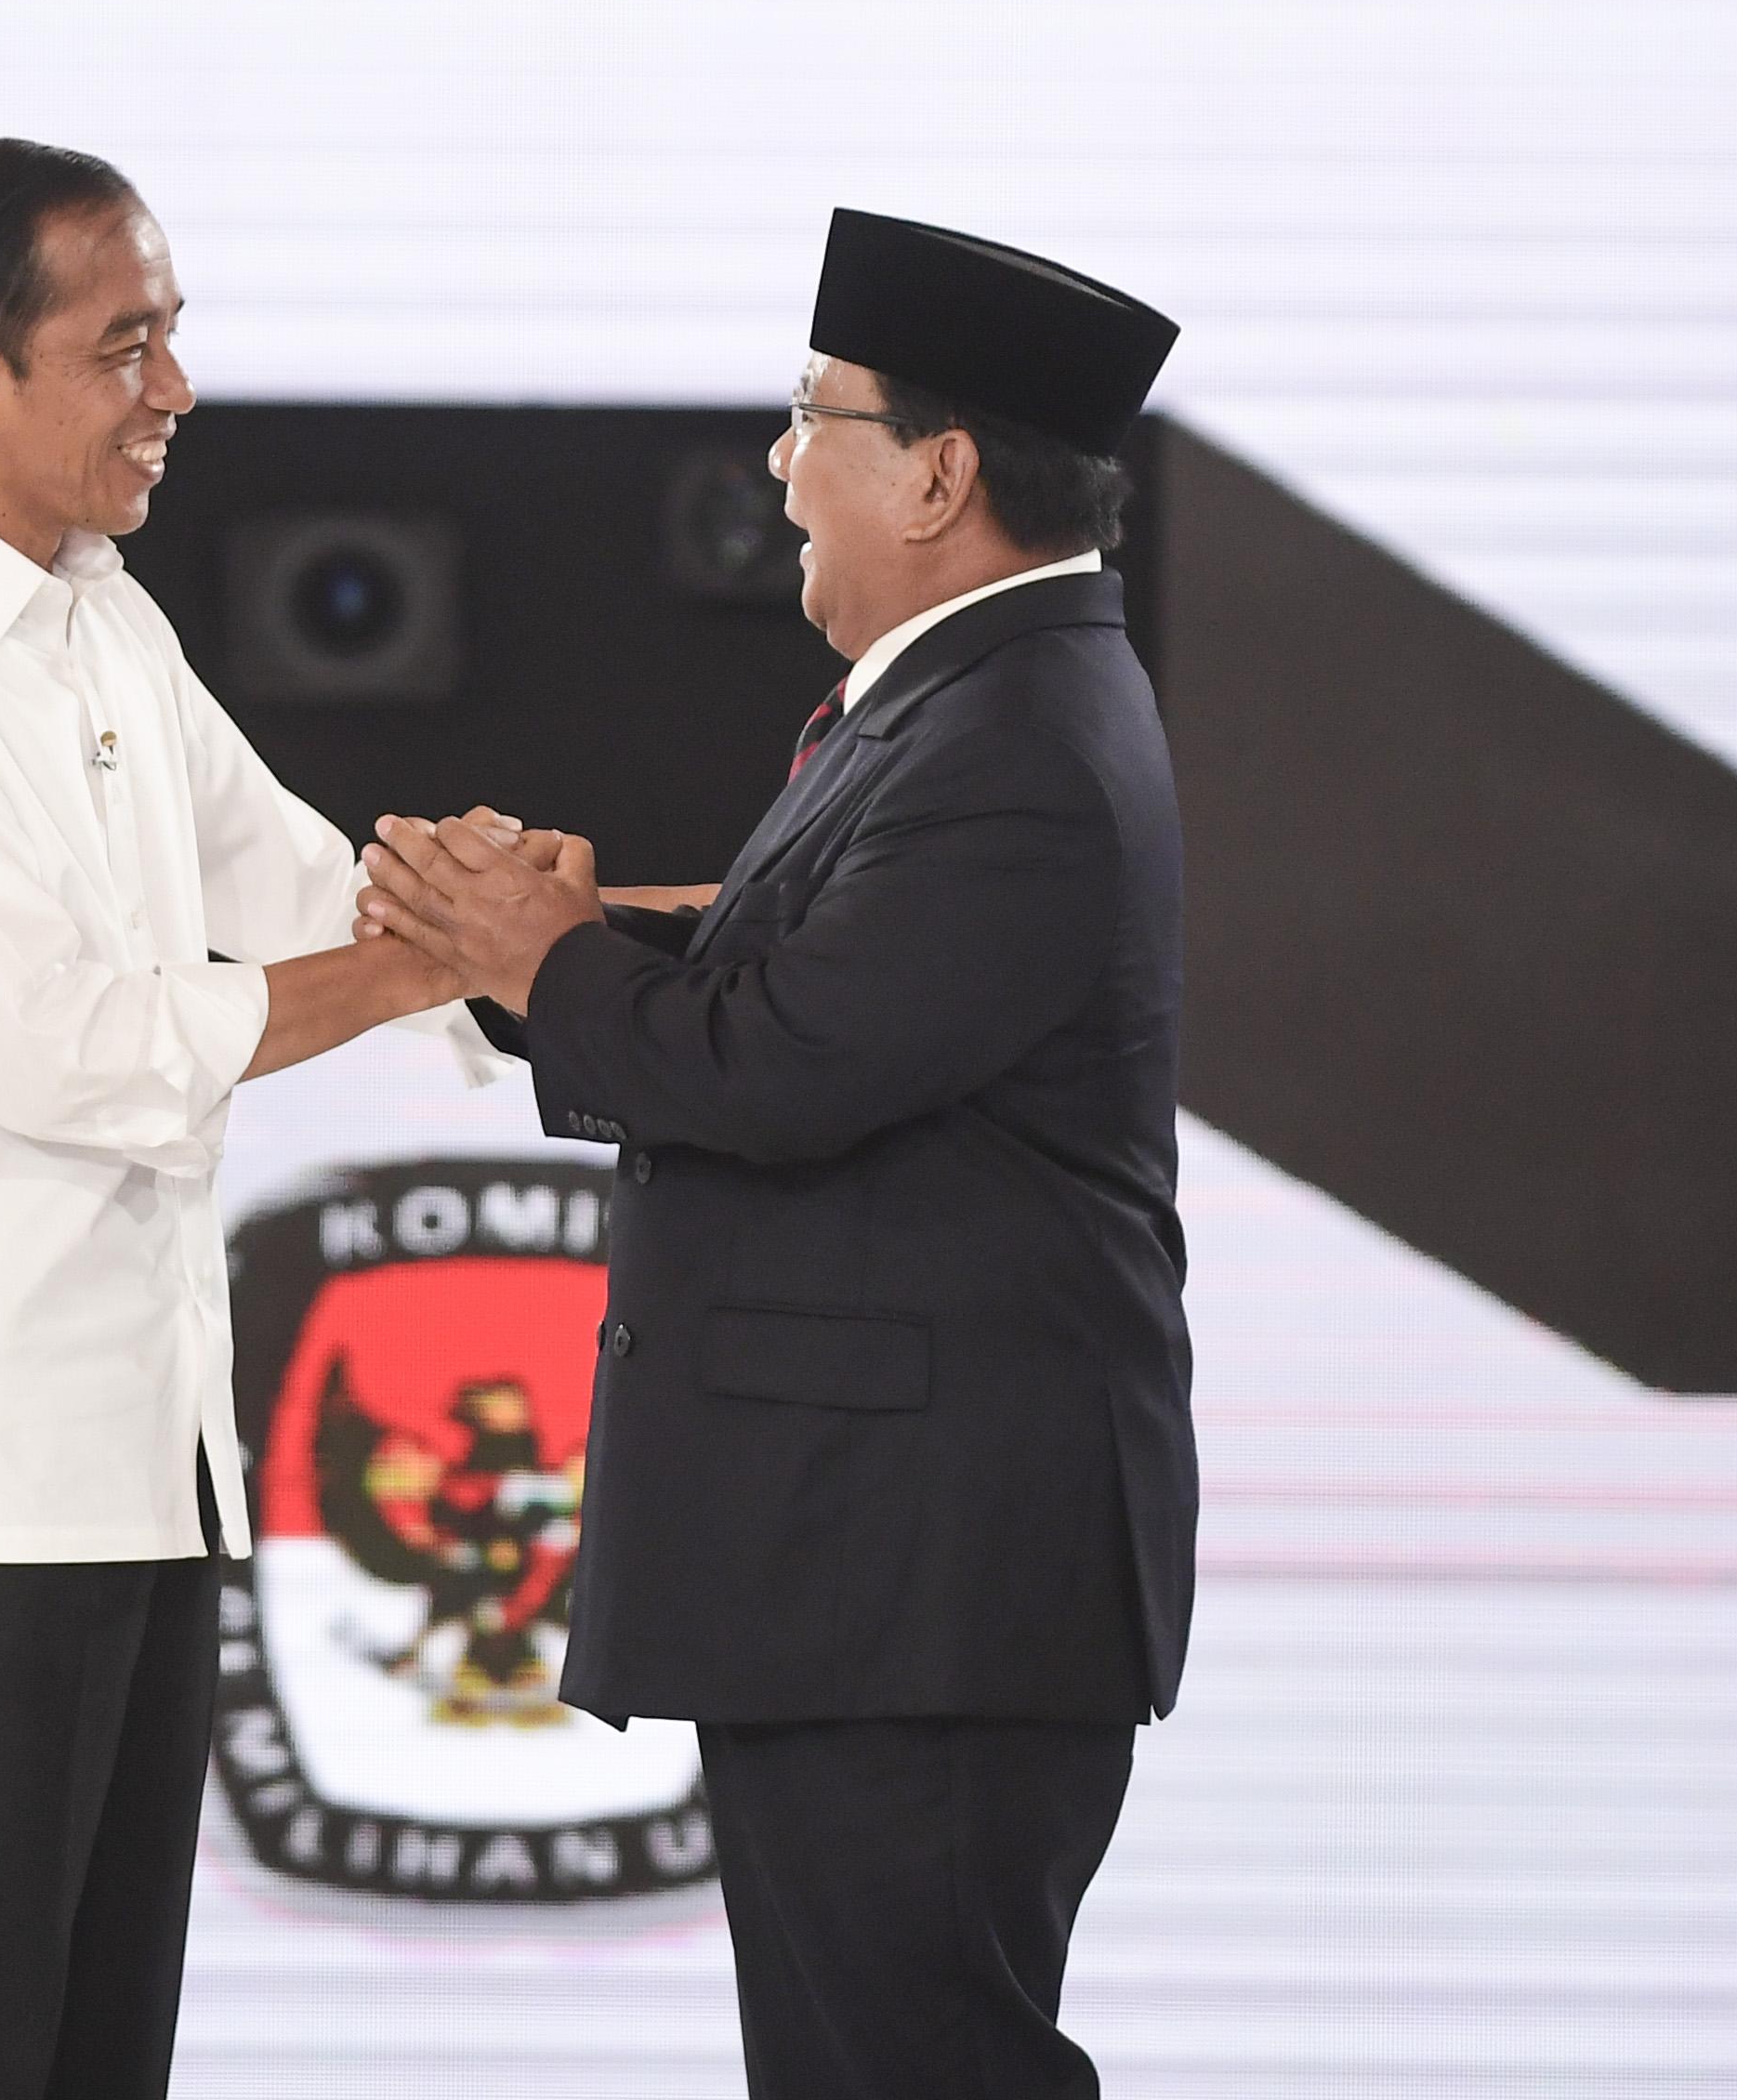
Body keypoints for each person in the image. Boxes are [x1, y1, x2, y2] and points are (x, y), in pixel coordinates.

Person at [356, 208, 1196, 2097]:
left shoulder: (1016, 738)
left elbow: (791, 1062)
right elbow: (808, 987)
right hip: (880, 1585)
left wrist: (544, 958)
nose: (776, 460)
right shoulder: (982, 699)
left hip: (921, 1592)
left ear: (940, 474)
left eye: (811, 413)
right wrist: (546, 953)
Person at [0, 138, 494, 2100]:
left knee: (97, 2053)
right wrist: (438, 963)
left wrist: (554, 941)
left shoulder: (106, 620)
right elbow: (61, 1048)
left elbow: (301, 885)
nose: (178, 388)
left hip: (153, 1467)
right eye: (125, 345)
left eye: (174, 335)